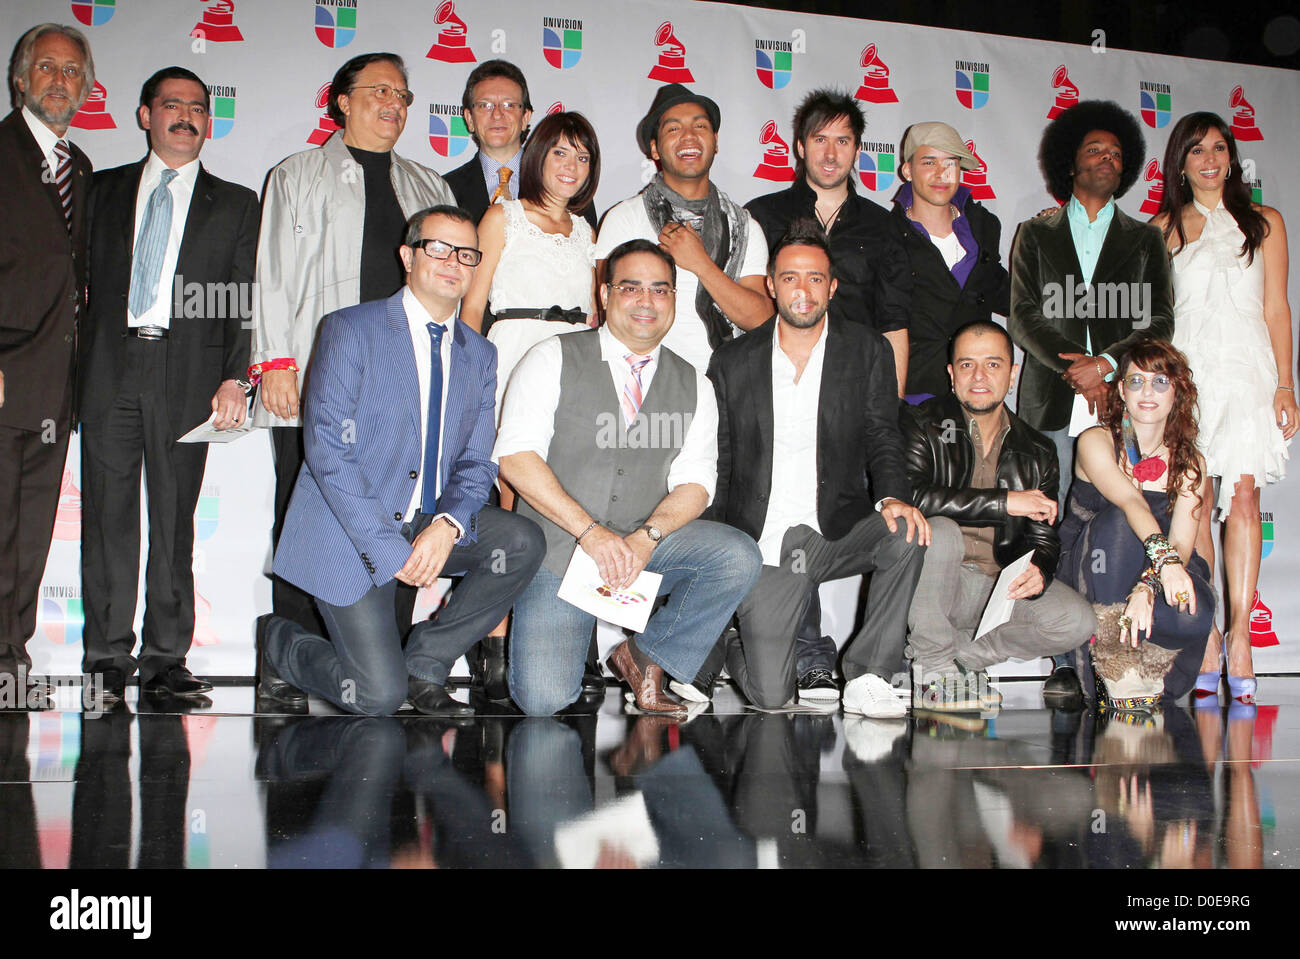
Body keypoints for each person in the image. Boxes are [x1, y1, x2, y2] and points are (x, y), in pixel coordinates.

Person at [258, 206, 545, 717]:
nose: (453, 262)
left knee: (521, 542)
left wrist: (449, 525)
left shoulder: (479, 354)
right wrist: (392, 553)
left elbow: (477, 463)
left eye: (466, 253)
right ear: (408, 256)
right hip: (351, 531)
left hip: (423, 525)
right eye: (438, 248)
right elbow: (328, 452)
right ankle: (279, 644)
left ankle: (425, 664)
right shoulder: (351, 328)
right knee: (375, 697)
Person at [250, 52, 453, 705]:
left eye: (403, 93)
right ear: (341, 100)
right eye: (378, 90)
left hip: (403, 387)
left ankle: (379, 657)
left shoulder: (430, 187)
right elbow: (274, 272)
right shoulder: (298, 175)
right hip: (320, 379)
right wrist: (277, 361)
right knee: (306, 518)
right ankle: (287, 654)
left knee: (394, 516)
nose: (393, 102)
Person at [496, 239, 762, 716]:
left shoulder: (694, 383)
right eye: (631, 287)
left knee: (735, 556)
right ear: (604, 294)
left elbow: (697, 482)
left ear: (675, 300)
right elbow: (515, 458)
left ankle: (642, 655)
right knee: (544, 701)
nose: (646, 301)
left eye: (660, 290)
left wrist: (646, 538)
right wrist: (591, 534)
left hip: (643, 548)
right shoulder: (551, 356)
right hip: (560, 550)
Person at [79, 66, 258, 705]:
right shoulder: (97, 192)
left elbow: (241, 297)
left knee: (174, 513)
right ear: (144, 115)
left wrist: (237, 377)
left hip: (188, 375)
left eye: (198, 108)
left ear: (209, 121)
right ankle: (104, 657)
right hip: (109, 366)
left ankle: (163, 659)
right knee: (106, 515)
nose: (186, 116)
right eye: (172, 104)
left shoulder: (236, 202)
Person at [708, 222, 927, 716]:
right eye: (789, 278)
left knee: (907, 531)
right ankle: (734, 643)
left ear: (832, 286)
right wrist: (719, 544)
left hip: (836, 529)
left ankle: (870, 674)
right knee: (771, 697)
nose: (802, 291)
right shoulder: (733, 360)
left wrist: (893, 495)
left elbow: (881, 433)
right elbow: (721, 457)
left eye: (814, 278)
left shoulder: (866, 349)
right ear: (771, 284)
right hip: (765, 540)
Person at [1008, 99, 1174, 704]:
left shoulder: (1144, 238)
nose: (1106, 158)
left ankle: (1123, 652)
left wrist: (1108, 364)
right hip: (1051, 399)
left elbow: (1159, 316)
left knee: (1115, 523)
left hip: (1124, 401)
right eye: (1094, 150)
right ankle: (1060, 660)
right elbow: (1024, 317)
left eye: (1117, 153)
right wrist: (1074, 367)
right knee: (1049, 526)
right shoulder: (1036, 233)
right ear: (1068, 162)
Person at [1152, 111, 1295, 704]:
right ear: (1180, 163)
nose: (1210, 158)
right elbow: (1158, 319)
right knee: (1197, 498)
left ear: (1231, 156)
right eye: (1196, 150)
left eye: (1218, 147)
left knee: (1242, 496)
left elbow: (1278, 309)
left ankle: (1242, 639)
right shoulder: (1161, 228)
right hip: (1189, 378)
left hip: (1247, 374)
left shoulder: (1265, 223)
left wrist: (1286, 382)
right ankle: (1207, 636)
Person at [459, 110, 601, 699]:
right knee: (516, 509)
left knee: (564, 508)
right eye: (560, 153)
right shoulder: (502, 217)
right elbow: (471, 307)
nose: (571, 166)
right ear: (537, 155)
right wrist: (468, 383)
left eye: (583, 156)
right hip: (512, 357)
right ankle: (496, 644)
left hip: (571, 370)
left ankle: (559, 645)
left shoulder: (589, 232)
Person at [903, 321, 1096, 711]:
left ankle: (959, 662)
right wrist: (1004, 501)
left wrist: (1040, 566)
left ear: (1013, 375)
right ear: (951, 374)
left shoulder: (1038, 448)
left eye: (993, 365)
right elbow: (912, 496)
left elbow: (1044, 535)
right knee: (939, 532)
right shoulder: (920, 423)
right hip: (934, 582)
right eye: (967, 365)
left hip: (996, 589)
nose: (979, 377)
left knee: (1076, 621)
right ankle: (932, 671)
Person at [0, 23, 94, 709]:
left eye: (72, 70)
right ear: (20, 79)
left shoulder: (81, 169)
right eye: (47, 67)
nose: (60, 80)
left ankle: (9, 666)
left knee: (28, 533)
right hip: (4, 374)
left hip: (55, 386)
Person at [1056, 340, 1214, 706]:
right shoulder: (1096, 441)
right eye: (1136, 381)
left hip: (1157, 567)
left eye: (1160, 382)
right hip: (1096, 563)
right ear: (1121, 390)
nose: (1147, 392)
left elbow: (1184, 545)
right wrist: (1168, 563)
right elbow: (1130, 502)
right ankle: (1117, 662)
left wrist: (1148, 587)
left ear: (1178, 391)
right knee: (1121, 522)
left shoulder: (1190, 462)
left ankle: (1153, 668)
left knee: (1193, 609)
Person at [593, 83, 772, 374]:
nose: (688, 136)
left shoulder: (744, 226)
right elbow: (608, 310)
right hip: (644, 382)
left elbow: (762, 319)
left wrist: (701, 264)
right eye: (673, 129)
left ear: (715, 141)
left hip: (727, 385)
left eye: (700, 126)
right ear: (654, 148)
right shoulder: (624, 219)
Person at [745, 88, 911, 394]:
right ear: (801, 146)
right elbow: (746, 306)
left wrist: (894, 408)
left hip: (857, 383)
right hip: (777, 382)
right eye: (820, 139)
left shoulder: (883, 225)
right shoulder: (762, 215)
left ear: (858, 150)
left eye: (842, 141)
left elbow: (894, 323)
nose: (831, 154)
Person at [891, 122, 1010, 403]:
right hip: (916, 390)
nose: (940, 173)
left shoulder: (984, 227)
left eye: (950, 163)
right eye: (928, 162)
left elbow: (1005, 295)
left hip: (978, 388)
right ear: (907, 170)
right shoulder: (887, 235)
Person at [443, 59, 599, 234]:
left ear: (525, 117)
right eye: (485, 105)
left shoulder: (565, 180)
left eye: (509, 105)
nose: (497, 114)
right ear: (469, 119)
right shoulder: (445, 188)